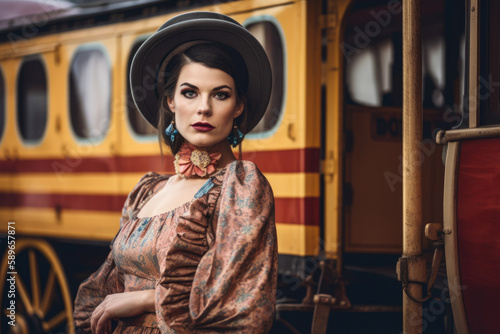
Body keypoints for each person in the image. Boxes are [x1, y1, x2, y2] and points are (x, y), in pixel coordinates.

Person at [73, 11, 278, 334]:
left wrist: (145, 299)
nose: (204, 108)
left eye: (221, 94)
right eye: (189, 92)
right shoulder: (147, 191)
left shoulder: (240, 187)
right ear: (170, 100)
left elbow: (243, 306)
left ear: (238, 106)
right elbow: (105, 292)